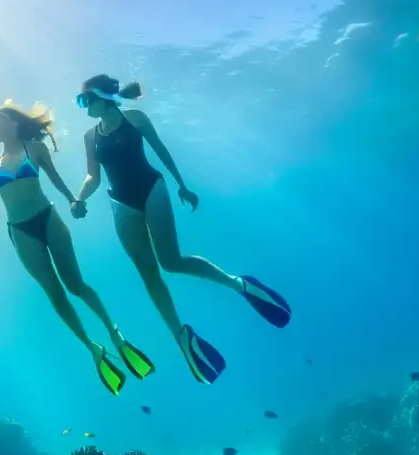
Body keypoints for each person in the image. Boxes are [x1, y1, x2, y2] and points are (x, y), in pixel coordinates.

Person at [71, 75, 291, 384]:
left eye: (84, 100)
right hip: (120, 202)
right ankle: (182, 336)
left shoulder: (134, 118)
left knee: (170, 261)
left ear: (99, 97)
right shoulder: (89, 136)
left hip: (151, 188)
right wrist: (80, 198)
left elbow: (160, 151)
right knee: (148, 273)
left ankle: (238, 284)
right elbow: (92, 176)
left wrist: (183, 187)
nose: (82, 107)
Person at [0, 100, 154, 395]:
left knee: (75, 284)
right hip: (20, 230)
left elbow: (55, 179)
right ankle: (93, 348)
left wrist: (73, 199)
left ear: (14, 124)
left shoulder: (36, 149)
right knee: (54, 293)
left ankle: (114, 334)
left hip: (48, 219)